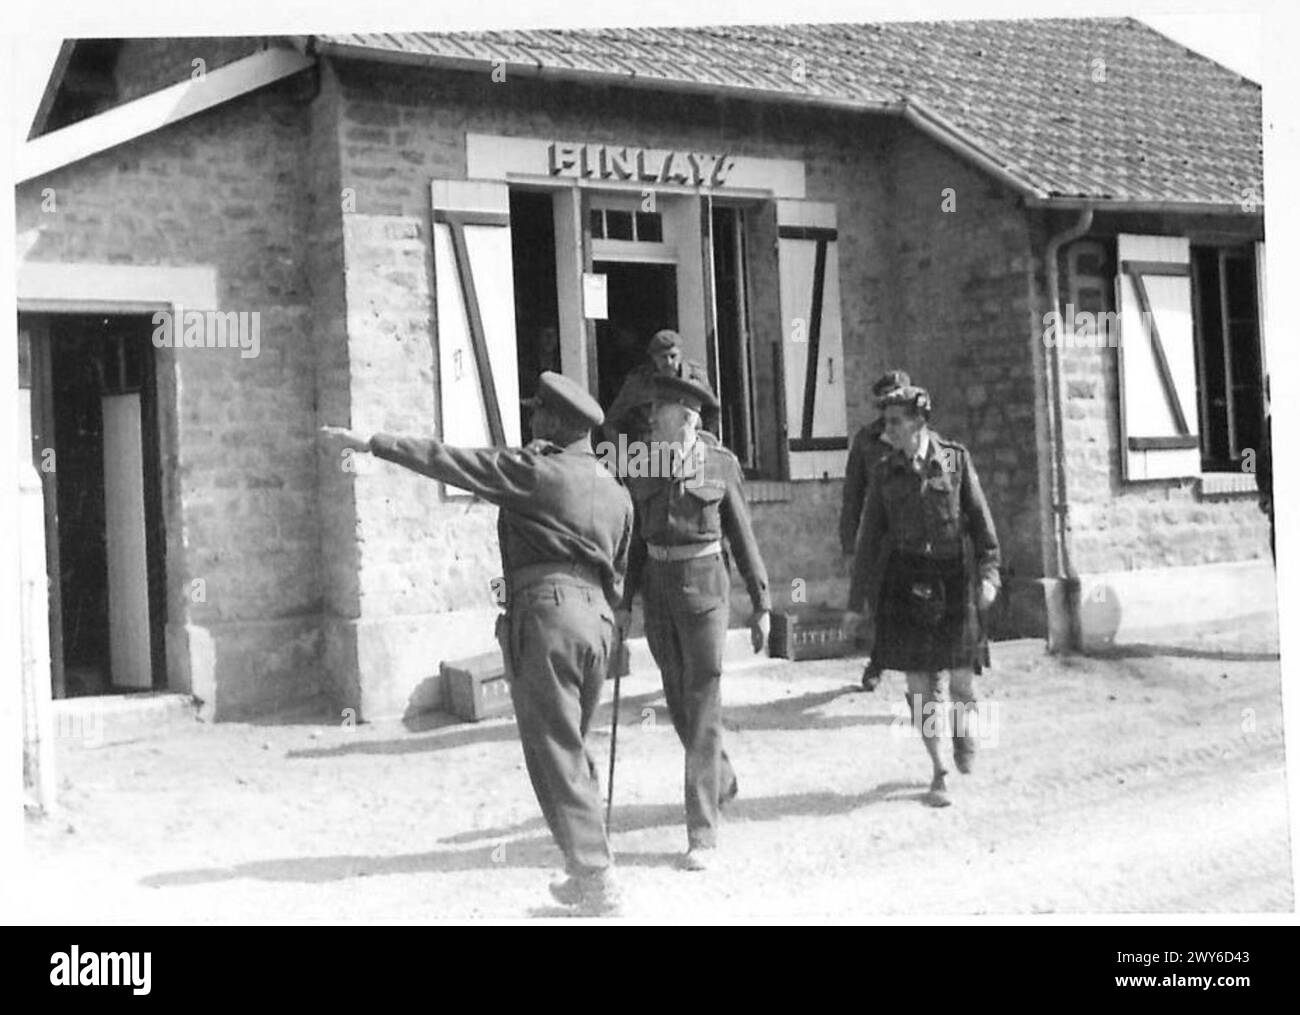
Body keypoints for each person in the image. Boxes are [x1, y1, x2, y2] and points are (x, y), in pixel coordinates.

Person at [319, 371, 633, 916]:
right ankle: (587, 871)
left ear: (557, 423)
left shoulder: (537, 474)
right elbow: (622, 573)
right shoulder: (617, 492)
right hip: (599, 623)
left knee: (554, 750)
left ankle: (595, 874)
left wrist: (373, 443)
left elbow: (452, 461)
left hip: (549, 619)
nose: (531, 419)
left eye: (538, 412)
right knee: (573, 746)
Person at [617, 373, 770, 871]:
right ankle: (720, 777)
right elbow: (637, 540)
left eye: (657, 409)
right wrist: (624, 603)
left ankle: (702, 831)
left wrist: (761, 604)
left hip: (705, 591)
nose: (649, 417)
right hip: (660, 592)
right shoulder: (643, 463)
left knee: (702, 702)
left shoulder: (718, 464)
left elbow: (743, 537)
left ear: (685, 416)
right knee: (680, 703)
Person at [843, 385, 1000, 808]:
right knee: (919, 686)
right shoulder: (885, 470)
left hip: (954, 578)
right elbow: (868, 539)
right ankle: (939, 768)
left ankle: (964, 734)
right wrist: (855, 605)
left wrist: (989, 575)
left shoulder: (953, 459)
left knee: (962, 683)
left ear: (918, 422)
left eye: (895, 421)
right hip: (907, 582)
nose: (887, 430)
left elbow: (981, 525)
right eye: (885, 422)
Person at [839, 369, 912, 690]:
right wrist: (849, 544)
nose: (892, 406)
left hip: (916, 533)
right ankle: (878, 661)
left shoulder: (921, 438)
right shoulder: (866, 441)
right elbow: (853, 494)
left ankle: (922, 669)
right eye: (887, 401)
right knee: (880, 602)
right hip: (880, 536)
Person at [602, 329, 712, 447]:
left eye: (673, 356)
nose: (669, 362)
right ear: (653, 357)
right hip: (650, 450)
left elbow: (711, 413)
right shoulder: (639, 382)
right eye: (663, 357)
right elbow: (612, 423)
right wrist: (624, 456)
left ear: (681, 354)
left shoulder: (696, 377)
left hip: (689, 449)